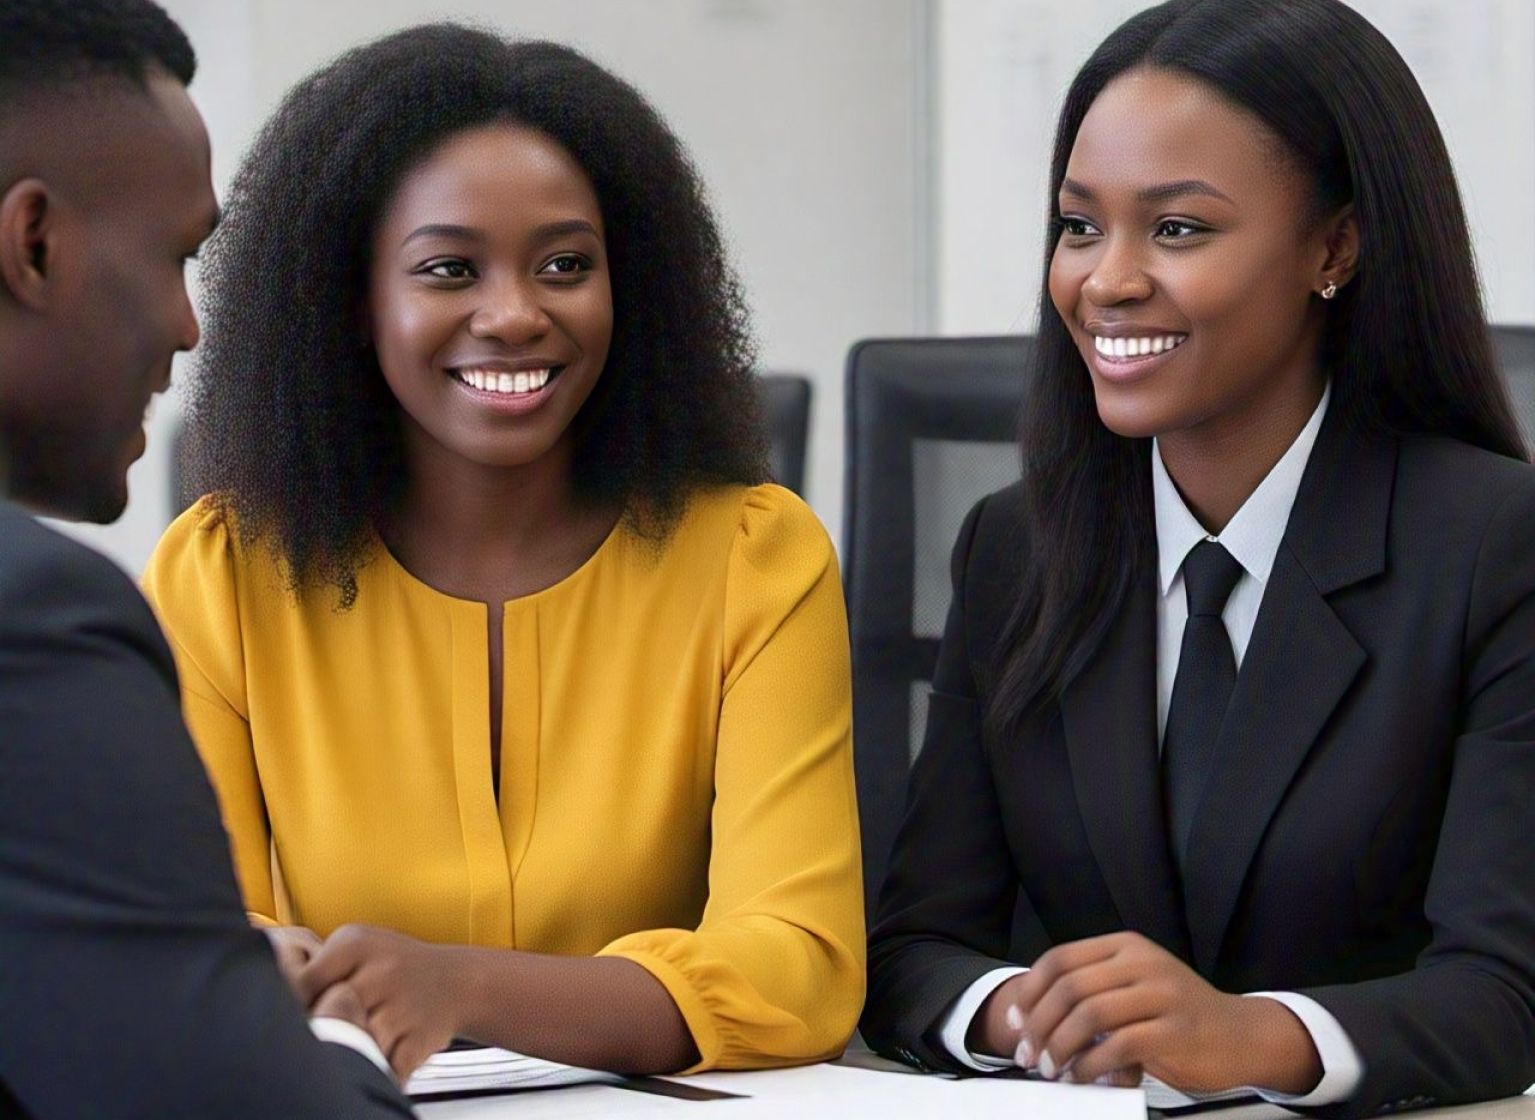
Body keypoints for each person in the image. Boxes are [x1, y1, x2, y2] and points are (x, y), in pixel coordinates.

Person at [142, 23, 863, 1082]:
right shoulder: (220, 577)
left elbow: (797, 968)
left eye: (565, 264)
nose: (516, 313)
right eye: (448, 268)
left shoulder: (755, 556)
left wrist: (462, 986)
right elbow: (199, 949)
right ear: (349, 298)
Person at [861, 0, 1535, 1115]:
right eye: (1079, 226)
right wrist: (1036, 1014)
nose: (1104, 280)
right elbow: (912, 948)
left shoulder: (1491, 545)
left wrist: (1249, 1036)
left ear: (1333, 245)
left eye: (1175, 230)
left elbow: (1503, 993)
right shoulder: (1015, 546)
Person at [0, 1, 417, 1116]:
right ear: (33, 245)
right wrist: (331, 1034)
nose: (191, 329)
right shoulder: (30, 619)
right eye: (177, 256)